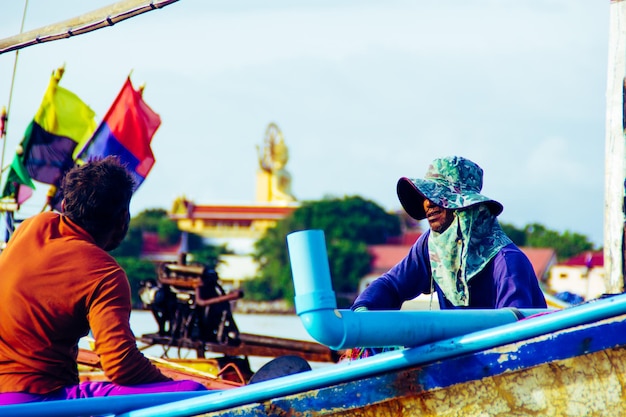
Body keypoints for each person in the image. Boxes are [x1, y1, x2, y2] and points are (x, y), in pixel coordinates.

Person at [0, 156, 206, 405]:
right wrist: (167, 384)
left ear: (65, 205)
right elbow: (121, 364)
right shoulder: (106, 273)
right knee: (193, 392)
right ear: (122, 220)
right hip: (37, 401)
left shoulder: (32, 226)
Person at [352, 156, 547, 314]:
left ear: (466, 206)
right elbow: (392, 285)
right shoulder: (429, 245)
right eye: (426, 196)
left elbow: (517, 332)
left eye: (438, 196)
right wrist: (362, 310)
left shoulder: (507, 262)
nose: (427, 203)